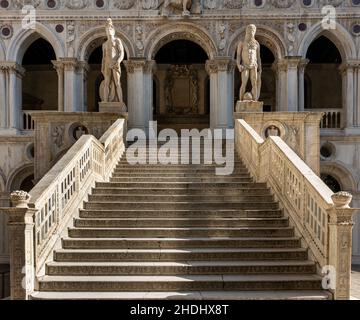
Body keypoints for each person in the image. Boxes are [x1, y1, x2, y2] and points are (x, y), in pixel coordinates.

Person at [101, 18, 125, 104]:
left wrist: (118, 61)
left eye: (110, 29)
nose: (109, 31)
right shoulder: (104, 44)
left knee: (117, 83)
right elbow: (104, 57)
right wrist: (102, 67)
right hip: (107, 64)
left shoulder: (117, 41)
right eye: (107, 29)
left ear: (113, 30)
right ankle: (105, 101)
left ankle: (120, 101)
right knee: (107, 83)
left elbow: (121, 53)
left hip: (115, 63)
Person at [236, 24, 262, 101]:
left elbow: (258, 57)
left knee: (254, 84)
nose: (251, 32)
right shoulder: (242, 42)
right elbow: (238, 55)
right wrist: (238, 64)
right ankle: (240, 101)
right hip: (245, 65)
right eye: (250, 30)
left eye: (253, 30)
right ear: (247, 31)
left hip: (254, 65)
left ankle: (255, 100)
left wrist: (260, 68)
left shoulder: (256, 43)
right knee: (244, 83)